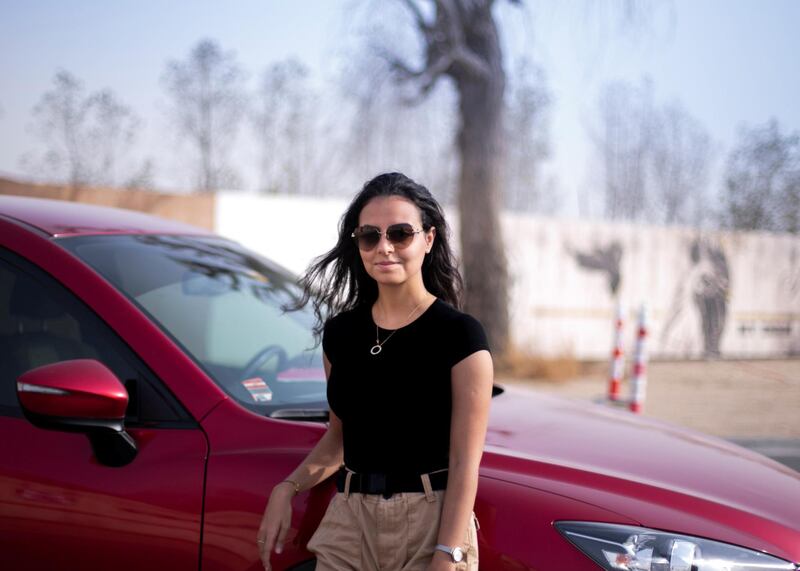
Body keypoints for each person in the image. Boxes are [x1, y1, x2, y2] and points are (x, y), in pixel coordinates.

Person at [257, 172, 493, 571]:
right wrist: (287, 487)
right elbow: (340, 440)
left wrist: (448, 552)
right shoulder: (340, 334)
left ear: (428, 240)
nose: (384, 247)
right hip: (348, 521)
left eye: (400, 234)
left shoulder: (460, 336)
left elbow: (465, 461)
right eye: (370, 236)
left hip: (429, 526)